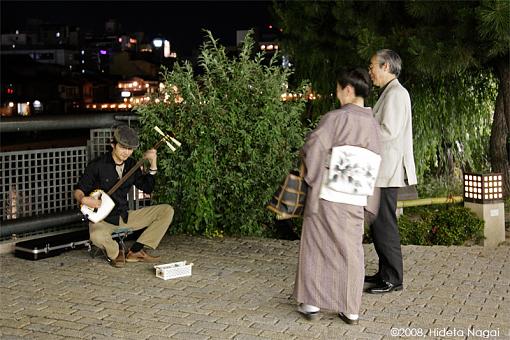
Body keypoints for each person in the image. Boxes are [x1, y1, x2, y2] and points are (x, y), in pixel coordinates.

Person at [293, 68, 381, 324]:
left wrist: (313, 173)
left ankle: (311, 303)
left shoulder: (334, 118)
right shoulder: (373, 125)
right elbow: (377, 164)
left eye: (339, 88)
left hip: (328, 193)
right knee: (351, 250)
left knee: (315, 245)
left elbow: (313, 148)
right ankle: (350, 307)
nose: (337, 93)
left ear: (349, 90)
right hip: (356, 196)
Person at [74, 125, 174, 268]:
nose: (126, 152)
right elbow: (78, 190)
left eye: (130, 149)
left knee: (167, 210)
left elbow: (147, 187)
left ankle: (136, 251)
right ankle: (116, 252)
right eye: (123, 147)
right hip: (103, 219)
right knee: (96, 236)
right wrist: (84, 199)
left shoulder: (132, 165)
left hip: (124, 215)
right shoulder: (97, 165)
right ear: (112, 144)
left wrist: (153, 165)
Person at [365, 49, 417, 293]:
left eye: (372, 66)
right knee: (379, 223)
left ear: (386, 67)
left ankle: (393, 278)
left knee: (384, 223)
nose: (370, 71)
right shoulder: (391, 93)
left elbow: (389, 131)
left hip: (387, 170)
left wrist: (364, 132)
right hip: (382, 169)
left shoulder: (396, 94)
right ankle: (385, 272)